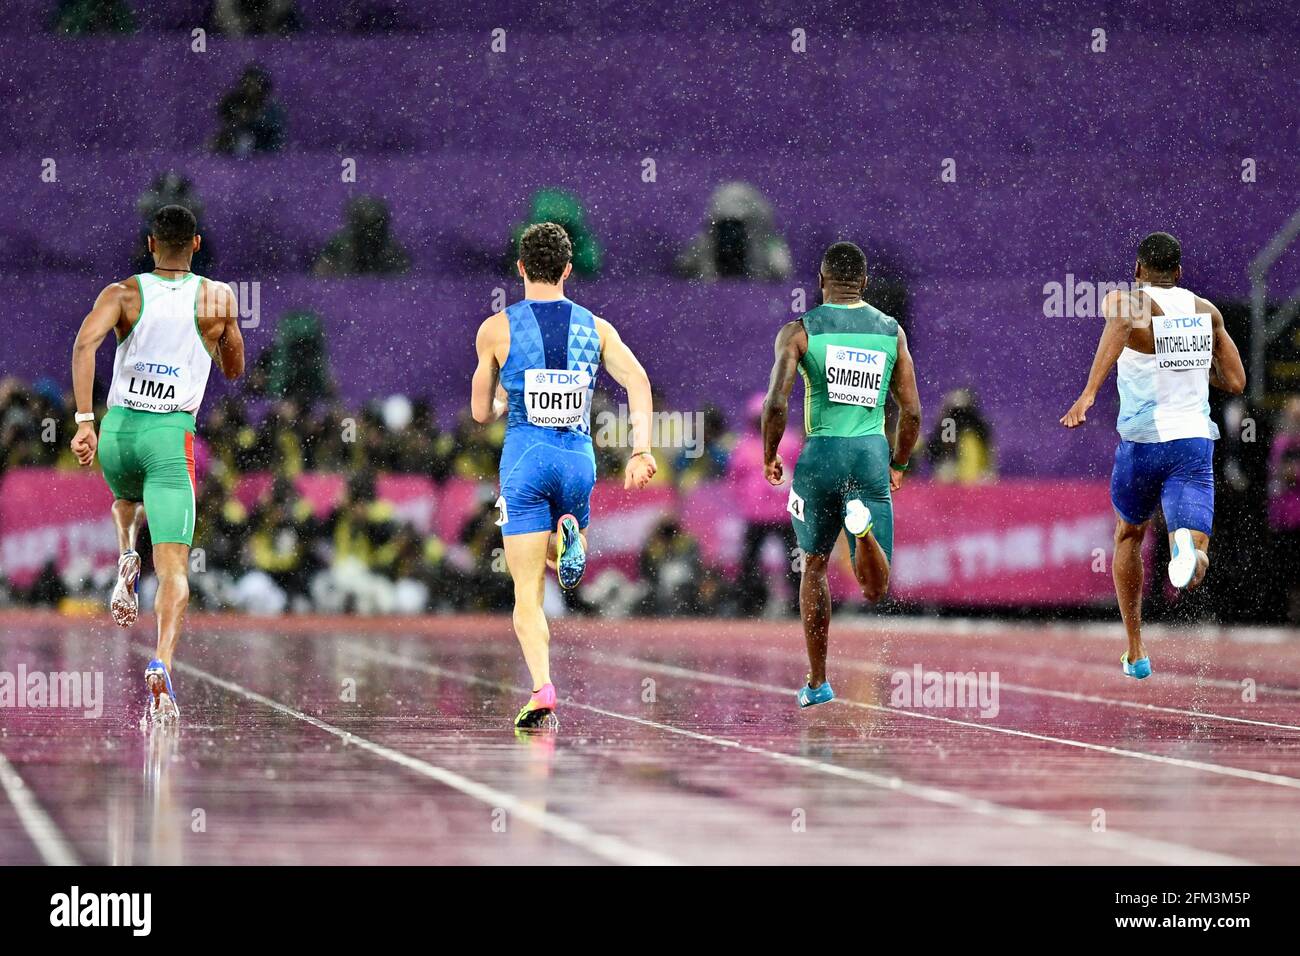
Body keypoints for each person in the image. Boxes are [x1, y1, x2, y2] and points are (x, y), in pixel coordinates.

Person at [471, 222, 656, 728]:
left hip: (526, 462)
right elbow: (637, 380)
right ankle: (566, 537)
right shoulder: (596, 328)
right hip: (578, 461)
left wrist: (509, 393)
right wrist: (640, 450)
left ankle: (542, 688)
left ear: (521, 268)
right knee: (563, 564)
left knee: (527, 591)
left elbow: (480, 413)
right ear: (569, 271)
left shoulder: (495, 329)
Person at [69, 205, 245, 721]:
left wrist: (84, 422)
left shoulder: (122, 293)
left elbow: (85, 344)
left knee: (125, 498)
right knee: (174, 573)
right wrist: (225, 333)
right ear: (195, 244)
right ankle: (162, 663)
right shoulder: (216, 297)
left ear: (150, 244)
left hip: (119, 433)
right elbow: (233, 370)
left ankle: (126, 551)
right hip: (169, 438)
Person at [1061, 232, 1245, 679]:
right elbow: (1236, 382)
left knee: (1128, 535)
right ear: (1180, 272)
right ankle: (1186, 549)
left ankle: (1136, 649)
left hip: (1142, 444)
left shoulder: (1128, 302)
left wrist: (1088, 394)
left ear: (1138, 269)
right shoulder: (1207, 312)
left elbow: (1122, 324)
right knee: (1197, 554)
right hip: (1192, 444)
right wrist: (1192, 363)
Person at [761, 241, 922, 707]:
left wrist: (770, 453)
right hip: (870, 454)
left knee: (813, 567)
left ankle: (817, 680)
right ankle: (863, 531)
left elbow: (776, 401)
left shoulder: (799, 331)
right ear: (865, 283)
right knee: (875, 588)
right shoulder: (892, 332)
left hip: (820, 458)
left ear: (821, 280)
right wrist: (898, 463)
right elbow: (910, 411)